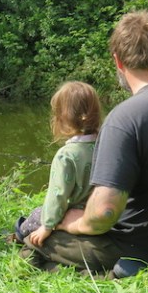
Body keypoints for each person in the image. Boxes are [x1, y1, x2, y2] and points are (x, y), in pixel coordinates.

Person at [30, 11, 148, 278]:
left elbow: (104, 213)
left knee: (32, 233)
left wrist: (73, 223)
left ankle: (117, 273)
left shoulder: (125, 118)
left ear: (118, 61)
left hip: (142, 249)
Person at [12, 81, 102, 250]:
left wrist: (47, 227)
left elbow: (58, 195)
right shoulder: (104, 145)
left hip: (72, 215)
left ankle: (17, 236)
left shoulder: (66, 155)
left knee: (35, 215)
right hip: (97, 214)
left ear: (64, 118)